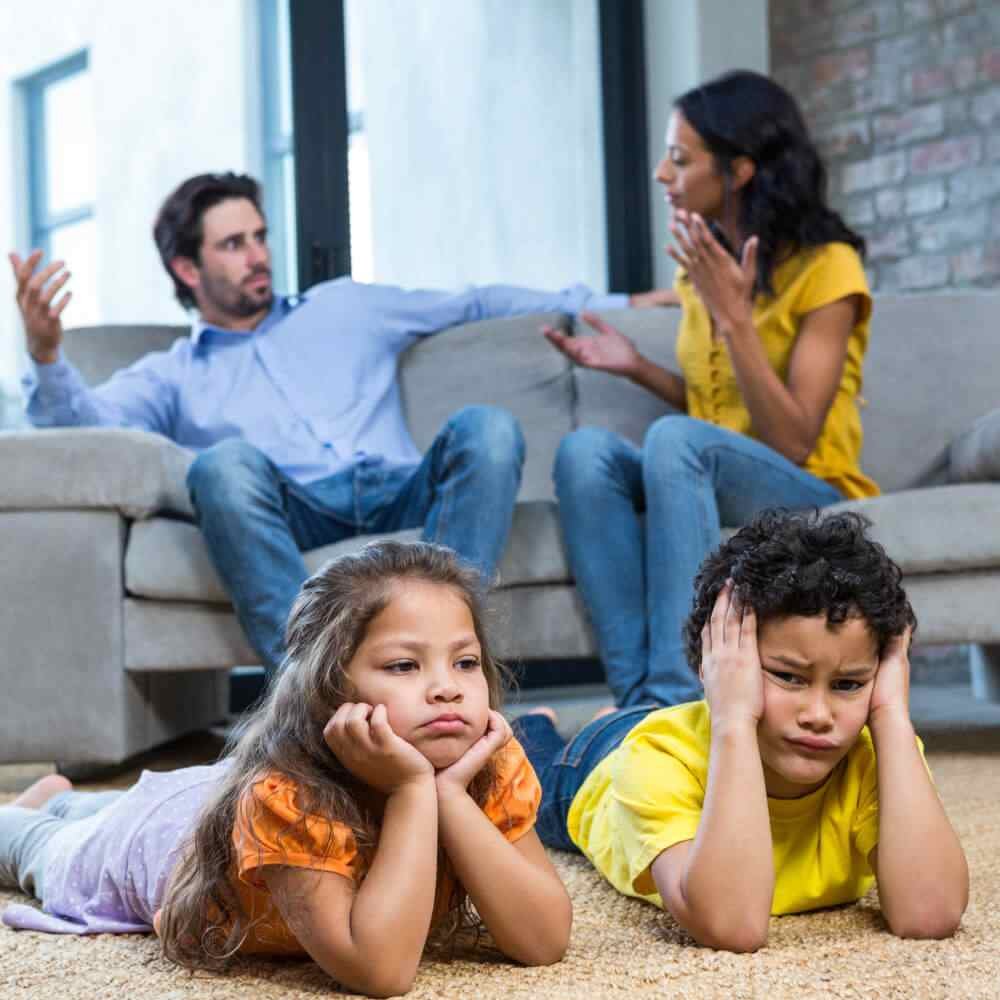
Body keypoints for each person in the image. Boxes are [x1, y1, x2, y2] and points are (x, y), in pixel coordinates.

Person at [9, 172, 671, 677]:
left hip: (396, 488)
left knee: (488, 430)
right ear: (189, 268)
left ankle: (440, 646)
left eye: (260, 237)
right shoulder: (173, 373)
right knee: (221, 466)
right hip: (296, 511)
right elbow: (86, 431)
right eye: (234, 245)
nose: (258, 255)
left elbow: (476, 301)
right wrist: (45, 355)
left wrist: (615, 304)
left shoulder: (346, 307)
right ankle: (309, 687)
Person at [0, 541, 571, 996]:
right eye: (403, 665)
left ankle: (71, 798)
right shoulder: (286, 796)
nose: (447, 688)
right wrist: (413, 787)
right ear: (328, 689)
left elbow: (543, 940)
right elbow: (381, 972)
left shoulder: (483, 763)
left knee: (136, 801)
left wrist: (447, 795)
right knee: (38, 846)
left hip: (209, 794)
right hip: (152, 842)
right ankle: (40, 811)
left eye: (465, 661)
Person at [543, 70, 878, 709]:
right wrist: (636, 366)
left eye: (680, 158)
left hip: (812, 491)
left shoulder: (829, 268)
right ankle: (639, 704)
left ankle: (679, 696)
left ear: (740, 170)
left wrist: (736, 319)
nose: (662, 175)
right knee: (584, 453)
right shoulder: (702, 266)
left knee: (673, 441)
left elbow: (793, 439)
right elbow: (714, 416)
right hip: (726, 469)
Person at [513, 509, 969, 953]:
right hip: (599, 764)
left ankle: (627, 709)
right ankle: (541, 721)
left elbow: (930, 913)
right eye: (788, 676)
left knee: (654, 717)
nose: (817, 713)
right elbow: (733, 925)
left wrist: (891, 714)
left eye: (848, 684)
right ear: (719, 667)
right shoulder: (653, 761)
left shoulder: (882, 756)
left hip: (695, 723)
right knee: (527, 767)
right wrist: (732, 720)